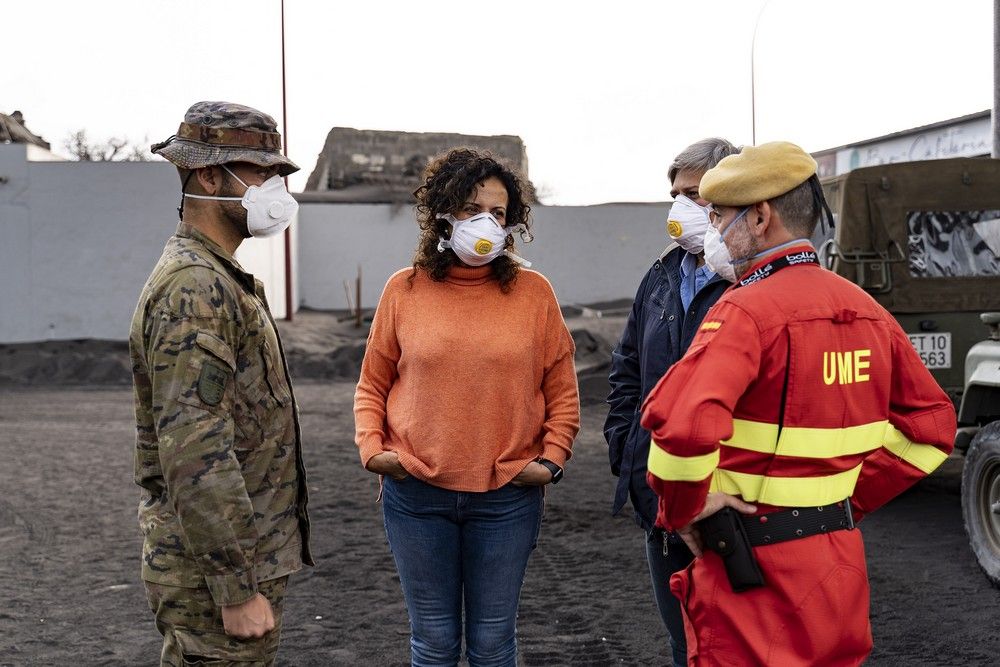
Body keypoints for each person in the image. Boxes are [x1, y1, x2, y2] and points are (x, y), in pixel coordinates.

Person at [641, 141, 957, 665]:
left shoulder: (743, 311)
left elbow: (683, 428)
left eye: (719, 218)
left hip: (752, 573)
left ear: (761, 217)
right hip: (837, 565)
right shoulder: (865, 309)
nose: (714, 234)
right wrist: (844, 501)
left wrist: (686, 509)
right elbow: (933, 426)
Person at [354, 147, 580, 667]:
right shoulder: (404, 290)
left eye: (498, 213)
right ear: (442, 213)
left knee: (493, 642)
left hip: (506, 499)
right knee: (432, 642)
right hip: (415, 495)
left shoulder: (534, 293)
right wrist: (374, 449)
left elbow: (562, 389)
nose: (486, 223)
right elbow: (372, 384)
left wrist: (552, 458)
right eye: (471, 208)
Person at [130, 101, 312, 666]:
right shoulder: (195, 288)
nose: (273, 189)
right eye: (260, 173)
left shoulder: (220, 278)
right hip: (214, 578)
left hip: (235, 557)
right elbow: (195, 450)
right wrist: (236, 588)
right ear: (209, 174)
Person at [604, 137, 738, 666]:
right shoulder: (662, 274)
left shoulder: (751, 281)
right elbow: (627, 367)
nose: (681, 207)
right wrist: (627, 449)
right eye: (676, 193)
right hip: (659, 495)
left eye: (696, 194)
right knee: (684, 645)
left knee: (735, 643)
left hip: (727, 501)